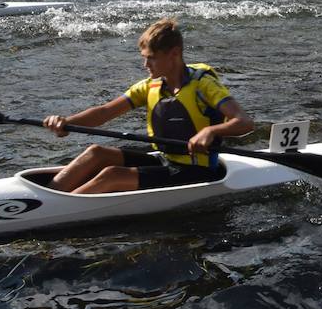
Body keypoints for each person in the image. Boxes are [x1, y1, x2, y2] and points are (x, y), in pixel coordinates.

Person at [44, 20, 254, 194]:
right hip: (165, 161)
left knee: (112, 175)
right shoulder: (150, 86)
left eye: (151, 59)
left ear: (174, 53)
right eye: (144, 59)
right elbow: (104, 112)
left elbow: (244, 122)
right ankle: (48, 197)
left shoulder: (204, 86)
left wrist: (211, 130)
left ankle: (53, 210)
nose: (146, 65)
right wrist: (67, 123)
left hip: (199, 170)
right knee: (96, 153)